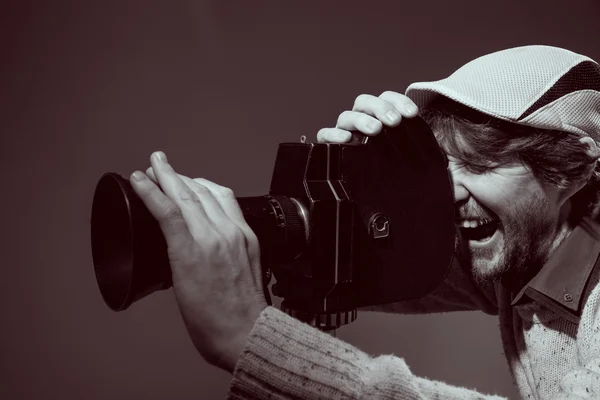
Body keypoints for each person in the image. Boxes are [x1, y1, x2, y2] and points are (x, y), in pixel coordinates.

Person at [128, 45, 600, 399]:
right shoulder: (521, 256)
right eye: (442, 167)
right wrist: (361, 187)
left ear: (573, 170)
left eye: (480, 165)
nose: (449, 194)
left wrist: (255, 341)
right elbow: (388, 266)